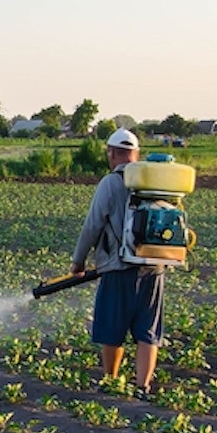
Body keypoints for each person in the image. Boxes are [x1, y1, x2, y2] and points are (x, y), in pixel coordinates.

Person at [70, 128, 164, 400]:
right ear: (136, 154)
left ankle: (111, 380)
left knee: (112, 328)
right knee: (148, 330)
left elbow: (92, 226)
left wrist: (79, 261)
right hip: (154, 268)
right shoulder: (155, 180)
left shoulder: (111, 183)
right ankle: (143, 386)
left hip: (118, 266)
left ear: (111, 153)